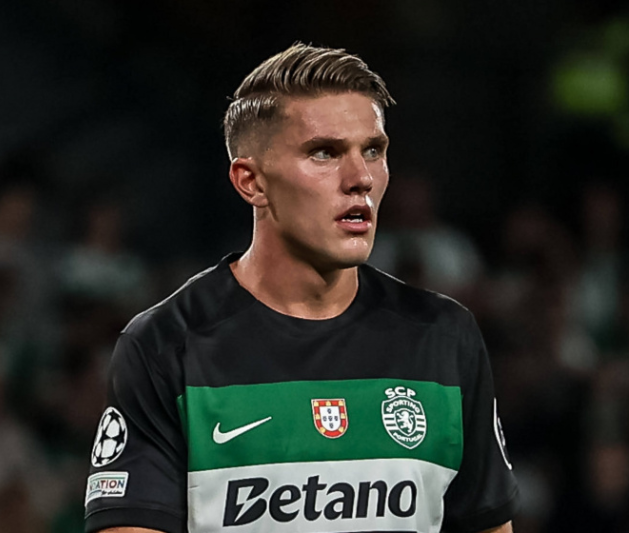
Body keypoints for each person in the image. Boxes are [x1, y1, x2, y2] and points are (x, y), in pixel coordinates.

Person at [84, 43, 519, 533]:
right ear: (251, 182)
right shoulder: (167, 345)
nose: (360, 179)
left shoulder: (444, 337)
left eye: (373, 150)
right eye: (324, 153)